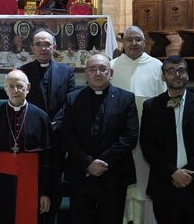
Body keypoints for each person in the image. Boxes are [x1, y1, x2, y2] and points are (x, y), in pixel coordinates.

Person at [58, 53, 139, 224]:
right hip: (81, 174)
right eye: (92, 69)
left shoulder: (126, 99)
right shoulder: (73, 98)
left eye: (103, 69)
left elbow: (129, 138)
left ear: (111, 72)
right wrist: (88, 162)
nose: (98, 73)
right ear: (86, 73)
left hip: (114, 174)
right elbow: (67, 135)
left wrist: (101, 162)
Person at [139, 56, 194, 224]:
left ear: (187, 75)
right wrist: (172, 172)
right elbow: (148, 144)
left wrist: (188, 172)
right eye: (171, 71)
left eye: (181, 70)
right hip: (165, 186)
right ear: (163, 76)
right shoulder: (151, 106)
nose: (177, 75)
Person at [0, 69, 56, 224]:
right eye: (11, 86)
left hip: (32, 181)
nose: (15, 90)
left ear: (28, 88)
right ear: (5, 89)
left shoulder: (41, 117)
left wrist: (45, 192)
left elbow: (47, 159)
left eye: (19, 86)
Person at [110, 26, 166, 224]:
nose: (133, 43)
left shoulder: (157, 66)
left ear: (145, 42)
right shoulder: (112, 65)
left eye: (138, 39)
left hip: (148, 136)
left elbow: (163, 102)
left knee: (145, 179)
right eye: (129, 40)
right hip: (119, 136)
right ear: (123, 43)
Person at [19, 29, 75, 223]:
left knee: (55, 181)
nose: (43, 48)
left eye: (47, 44)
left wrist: (55, 123)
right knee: (32, 181)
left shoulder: (66, 71)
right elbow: (20, 101)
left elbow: (69, 102)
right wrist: (39, 124)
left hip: (57, 135)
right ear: (32, 47)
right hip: (31, 135)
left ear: (54, 47)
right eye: (39, 44)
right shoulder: (23, 72)